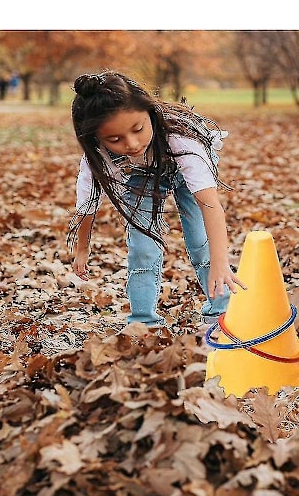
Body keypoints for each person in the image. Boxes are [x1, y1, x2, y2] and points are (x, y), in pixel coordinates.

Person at [68, 70, 245, 329]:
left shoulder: (182, 140)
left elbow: (210, 206)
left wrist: (220, 263)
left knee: (200, 241)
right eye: (114, 139)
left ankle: (221, 310)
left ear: (149, 112)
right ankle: (143, 321)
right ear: (96, 139)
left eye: (138, 129)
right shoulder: (98, 158)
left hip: (181, 168)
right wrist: (82, 249)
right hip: (140, 175)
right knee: (142, 248)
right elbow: (86, 208)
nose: (132, 143)